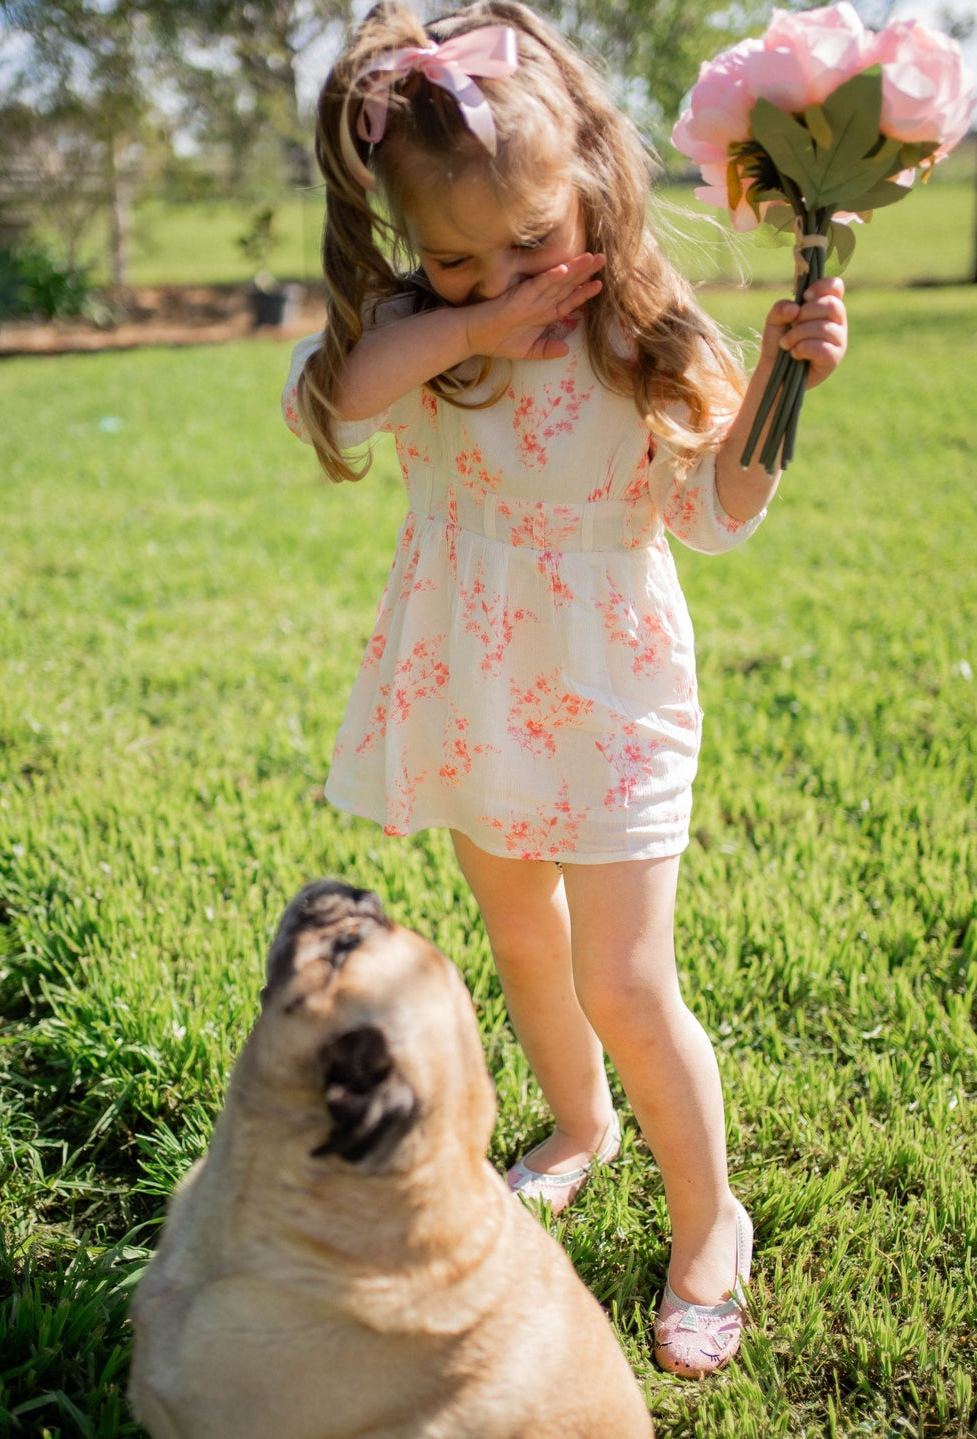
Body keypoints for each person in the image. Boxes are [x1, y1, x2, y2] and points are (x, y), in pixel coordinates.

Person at [281, 0, 847, 1379]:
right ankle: (579, 1127)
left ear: (592, 183)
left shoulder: (642, 338)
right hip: (475, 684)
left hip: (610, 688)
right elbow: (339, 399)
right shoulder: (433, 344)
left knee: (624, 972)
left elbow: (714, 514)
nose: (502, 278)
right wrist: (465, 321)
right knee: (523, 942)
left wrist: (779, 380)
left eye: (533, 243)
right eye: (456, 257)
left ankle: (715, 1219)